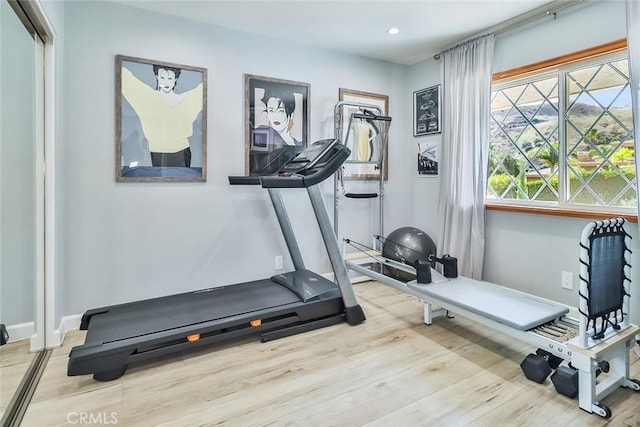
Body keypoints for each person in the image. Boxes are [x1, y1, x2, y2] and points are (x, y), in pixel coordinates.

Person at [121, 63, 203, 167]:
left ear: (175, 79)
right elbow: (126, 78)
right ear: (157, 77)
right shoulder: (148, 98)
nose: (166, 82)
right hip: (157, 153)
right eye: (162, 77)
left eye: (169, 78)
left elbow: (205, 88)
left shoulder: (188, 100)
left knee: (181, 180)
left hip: (182, 152)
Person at [250, 86, 303, 175]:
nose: (275, 116)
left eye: (281, 111)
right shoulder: (262, 133)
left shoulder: (299, 145)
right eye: (271, 110)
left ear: (291, 114)